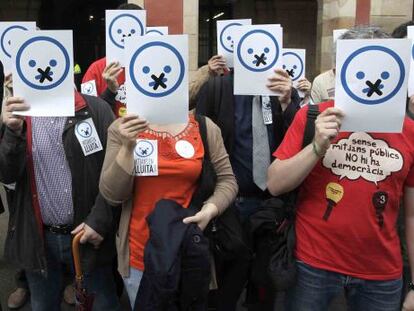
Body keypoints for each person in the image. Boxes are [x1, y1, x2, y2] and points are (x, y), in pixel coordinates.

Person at [267, 26, 414, 311]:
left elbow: (413, 215)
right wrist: (317, 146)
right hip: (313, 265)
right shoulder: (312, 116)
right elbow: (275, 183)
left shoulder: (409, 130)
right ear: (338, 69)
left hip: (381, 274)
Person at [99, 89, 238, 307]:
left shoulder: (204, 128)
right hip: (139, 253)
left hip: (189, 248)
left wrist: (210, 209)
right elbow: (112, 194)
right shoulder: (121, 129)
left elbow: (227, 181)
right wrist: (127, 148)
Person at [0, 84, 121, 310]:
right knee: (43, 303)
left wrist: (100, 220)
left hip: (88, 238)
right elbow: (7, 174)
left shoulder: (96, 109)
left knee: (102, 302)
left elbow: (116, 170)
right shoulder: (18, 116)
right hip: (39, 240)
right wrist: (12, 132)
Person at [195, 56, 301, 310]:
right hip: (228, 201)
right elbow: (200, 137)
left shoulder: (282, 93)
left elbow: (297, 141)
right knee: (226, 276)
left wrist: (288, 103)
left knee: (263, 281)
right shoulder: (217, 88)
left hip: (270, 204)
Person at [82, 2, 143, 118]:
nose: (127, 36)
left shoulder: (153, 67)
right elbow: (88, 115)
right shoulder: (95, 69)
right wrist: (110, 91)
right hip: (110, 134)